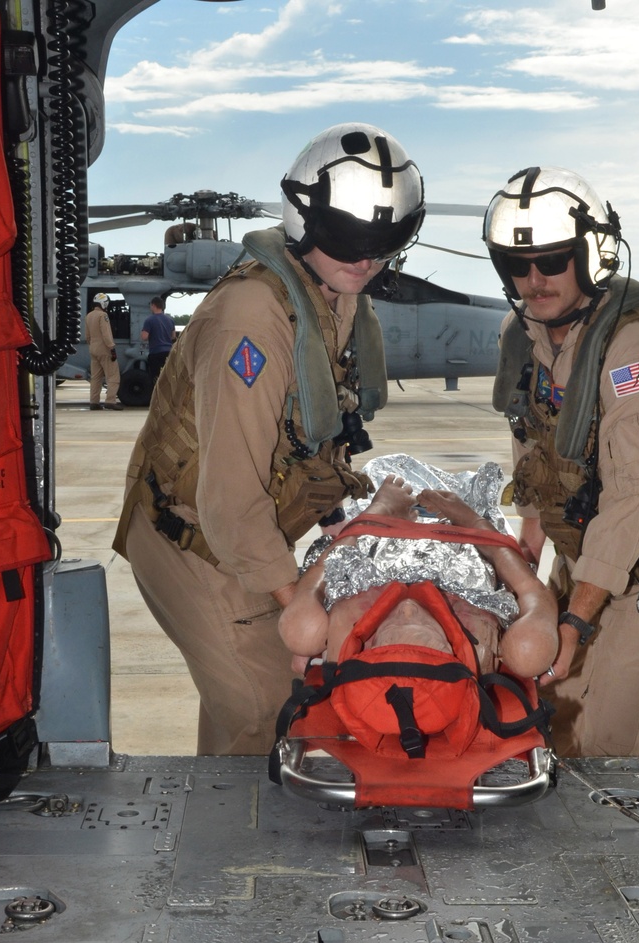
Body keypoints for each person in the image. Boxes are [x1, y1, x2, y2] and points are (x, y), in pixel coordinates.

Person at [112, 123, 426, 755]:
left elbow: (310, 439)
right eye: (349, 239)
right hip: (196, 541)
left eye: (383, 244)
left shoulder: (335, 294)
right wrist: (300, 607)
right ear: (303, 219)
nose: (366, 259)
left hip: (239, 533)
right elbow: (229, 498)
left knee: (244, 716)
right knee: (270, 716)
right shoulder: (253, 317)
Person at [484, 166, 639, 758]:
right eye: (517, 265)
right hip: (586, 545)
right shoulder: (523, 333)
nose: (534, 280)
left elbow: (635, 497)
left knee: (608, 735)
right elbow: (530, 449)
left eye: (553, 261)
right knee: (555, 718)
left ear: (589, 254)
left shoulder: (633, 347)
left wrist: (576, 620)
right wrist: (527, 563)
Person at [279, 471, 558, 679]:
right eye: (431, 628)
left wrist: (377, 511)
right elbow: (530, 589)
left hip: (376, 538)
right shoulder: (525, 648)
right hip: (463, 540)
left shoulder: (311, 629)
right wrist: (472, 520)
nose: (408, 609)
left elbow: (322, 571)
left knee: (302, 632)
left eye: (387, 628)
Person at [84, 292, 123, 410]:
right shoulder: (103, 316)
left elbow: (87, 336)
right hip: (104, 348)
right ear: (103, 303)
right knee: (113, 376)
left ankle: (94, 402)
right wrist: (112, 348)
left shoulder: (89, 316)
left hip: (93, 349)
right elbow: (106, 334)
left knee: (95, 377)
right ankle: (110, 401)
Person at [140, 297, 177, 380]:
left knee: (155, 378)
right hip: (168, 352)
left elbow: (144, 337)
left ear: (153, 305)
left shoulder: (149, 320)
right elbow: (173, 336)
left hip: (156, 353)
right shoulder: (170, 320)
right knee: (167, 377)